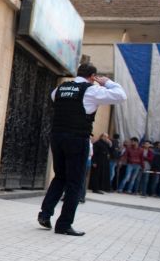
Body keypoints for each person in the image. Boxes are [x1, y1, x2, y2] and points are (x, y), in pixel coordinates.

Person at [37, 63, 126, 236]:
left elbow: (56, 101)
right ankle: (64, 225)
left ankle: (45, 214)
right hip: (77, 139)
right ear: (92, 76)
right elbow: (121, 96)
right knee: (75, 182)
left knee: (60, 177)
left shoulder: (60, 89)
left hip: (57, 137)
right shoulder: (91, 90)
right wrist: (107, 82)